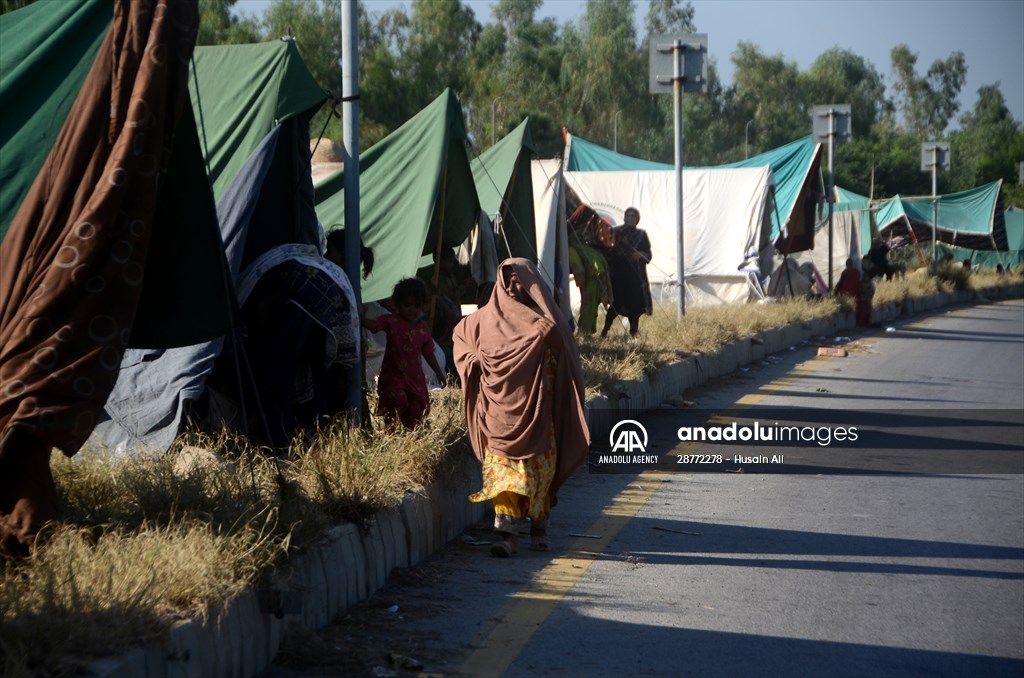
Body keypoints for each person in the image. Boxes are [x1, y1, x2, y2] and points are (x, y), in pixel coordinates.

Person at [453, 259, 590, 557]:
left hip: (539, 417)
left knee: (538, 475)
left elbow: (566, 361)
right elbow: (462, 340)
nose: (515, 288)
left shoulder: (546, 321)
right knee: (503, 477)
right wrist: (476, 362)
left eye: (521, 281)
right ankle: (507, 536)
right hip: (497, 417)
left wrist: (550, 340)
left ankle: (539, 527)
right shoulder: (481, 321)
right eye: (509, 281)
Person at [363, 278, 445, 429]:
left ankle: (408, 437)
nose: (411, 310)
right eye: (407, 305)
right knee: (398, 400)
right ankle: (391, 431)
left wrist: (439, 372)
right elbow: (373, 326)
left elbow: (428, 353)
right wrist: (360, 316)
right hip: (394, 376)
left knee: (416, 408)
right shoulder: (390, 321)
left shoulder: (423, 329)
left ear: (423, 307)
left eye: (416, 306)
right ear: (397, 304)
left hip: (415, 378)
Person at [601, 207, 652, 337]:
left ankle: (633, 334)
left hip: (635, 277)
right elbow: (608, 252)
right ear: (624, 218)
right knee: (615, 304)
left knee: (634, 305)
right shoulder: (616, 232)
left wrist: (640, 254)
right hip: (618, 275)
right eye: (628, 216)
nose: (630, 218)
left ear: (637, 220)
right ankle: (605, 331)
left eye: (633, 216)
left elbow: (648, 255)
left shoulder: (641, 235)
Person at [835, 258, 870, 326]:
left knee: (863, 305)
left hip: (853, 293)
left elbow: (856, 283)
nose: (848, 266)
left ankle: (862, 321)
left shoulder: (854, 272)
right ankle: (861, 321)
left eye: (849, 264)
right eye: (848, 264)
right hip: (848, 293)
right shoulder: (846, 272)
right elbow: (841, 283)